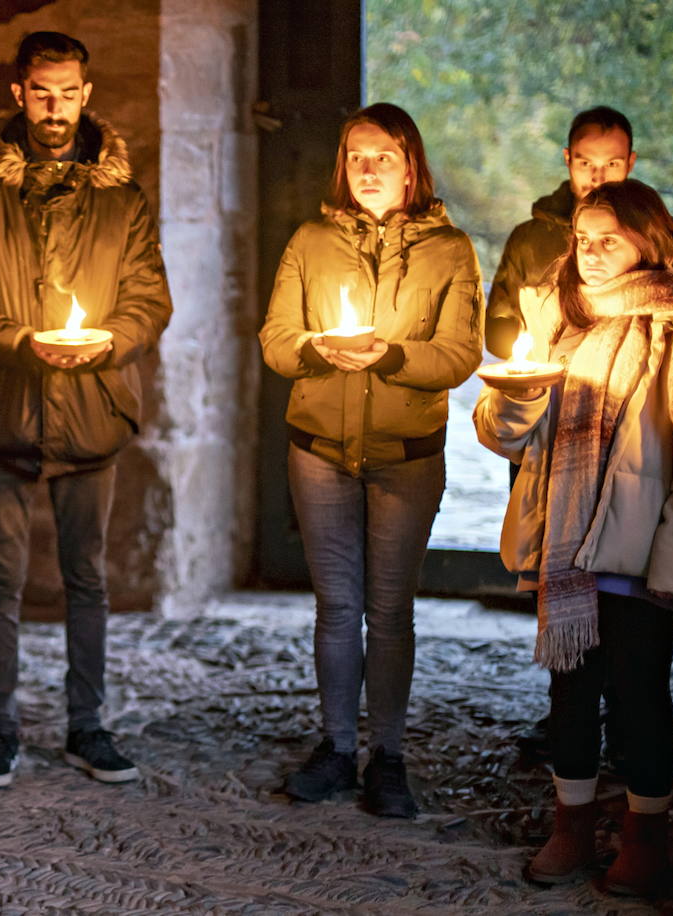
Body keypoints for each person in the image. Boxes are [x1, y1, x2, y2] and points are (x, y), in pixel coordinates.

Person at [473, 180, 673, 896]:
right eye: (582, 240)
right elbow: (500, 434)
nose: (590, 254)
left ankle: (644, 837)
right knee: (570, 690)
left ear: (646, 242)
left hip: (643, 542)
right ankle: (571, 829)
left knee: (639, 694)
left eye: (609, 240)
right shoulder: (554, 313)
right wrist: (518, 394)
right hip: (568, 542)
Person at [0, 31, 172, 788]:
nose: (55, 108)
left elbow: (149, 300)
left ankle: (86, 727)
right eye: (42, 93)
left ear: (86, 95)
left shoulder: (121, 200)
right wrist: (24, 343)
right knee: (0, 580)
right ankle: (1, 731)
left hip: (91, 412)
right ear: (18, 95)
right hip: (4, 412)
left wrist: (104, 345)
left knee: (87, 578)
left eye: (68, 93)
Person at [259, 103, 484, 818]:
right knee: (336, 607)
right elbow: (274, 338)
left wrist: (388, 355)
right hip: (320, 452)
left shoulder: (450, 250)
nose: (368, 169)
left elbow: (458, 354)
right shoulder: (311, 239)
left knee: (390, 612)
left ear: (411, 164)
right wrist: (311, 350)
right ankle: (334, 747)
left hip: (406, 458)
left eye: (383, 155)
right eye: (356, 156)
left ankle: (387, 755)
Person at [486, 105, 673, 361]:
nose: (598, 177)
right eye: (586, 163)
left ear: (630, 162)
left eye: (611, 163)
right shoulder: (529, 239)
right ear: (568, 158)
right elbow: (498, 330)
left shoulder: (661, 233)